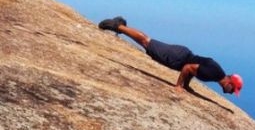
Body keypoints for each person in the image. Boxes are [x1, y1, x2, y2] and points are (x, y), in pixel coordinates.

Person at [98, 16, 243, 96]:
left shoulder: (217, 73)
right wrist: (179, 86)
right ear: (230, 83)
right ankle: (117, 26)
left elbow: (195, 69)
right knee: (147, 42)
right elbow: (188, 68)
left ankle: (120, 25)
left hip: (181, 55)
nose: (230, 93)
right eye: (232, 90)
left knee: (148, 43)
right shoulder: (215, 74)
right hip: (178, 58)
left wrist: (186, 85)